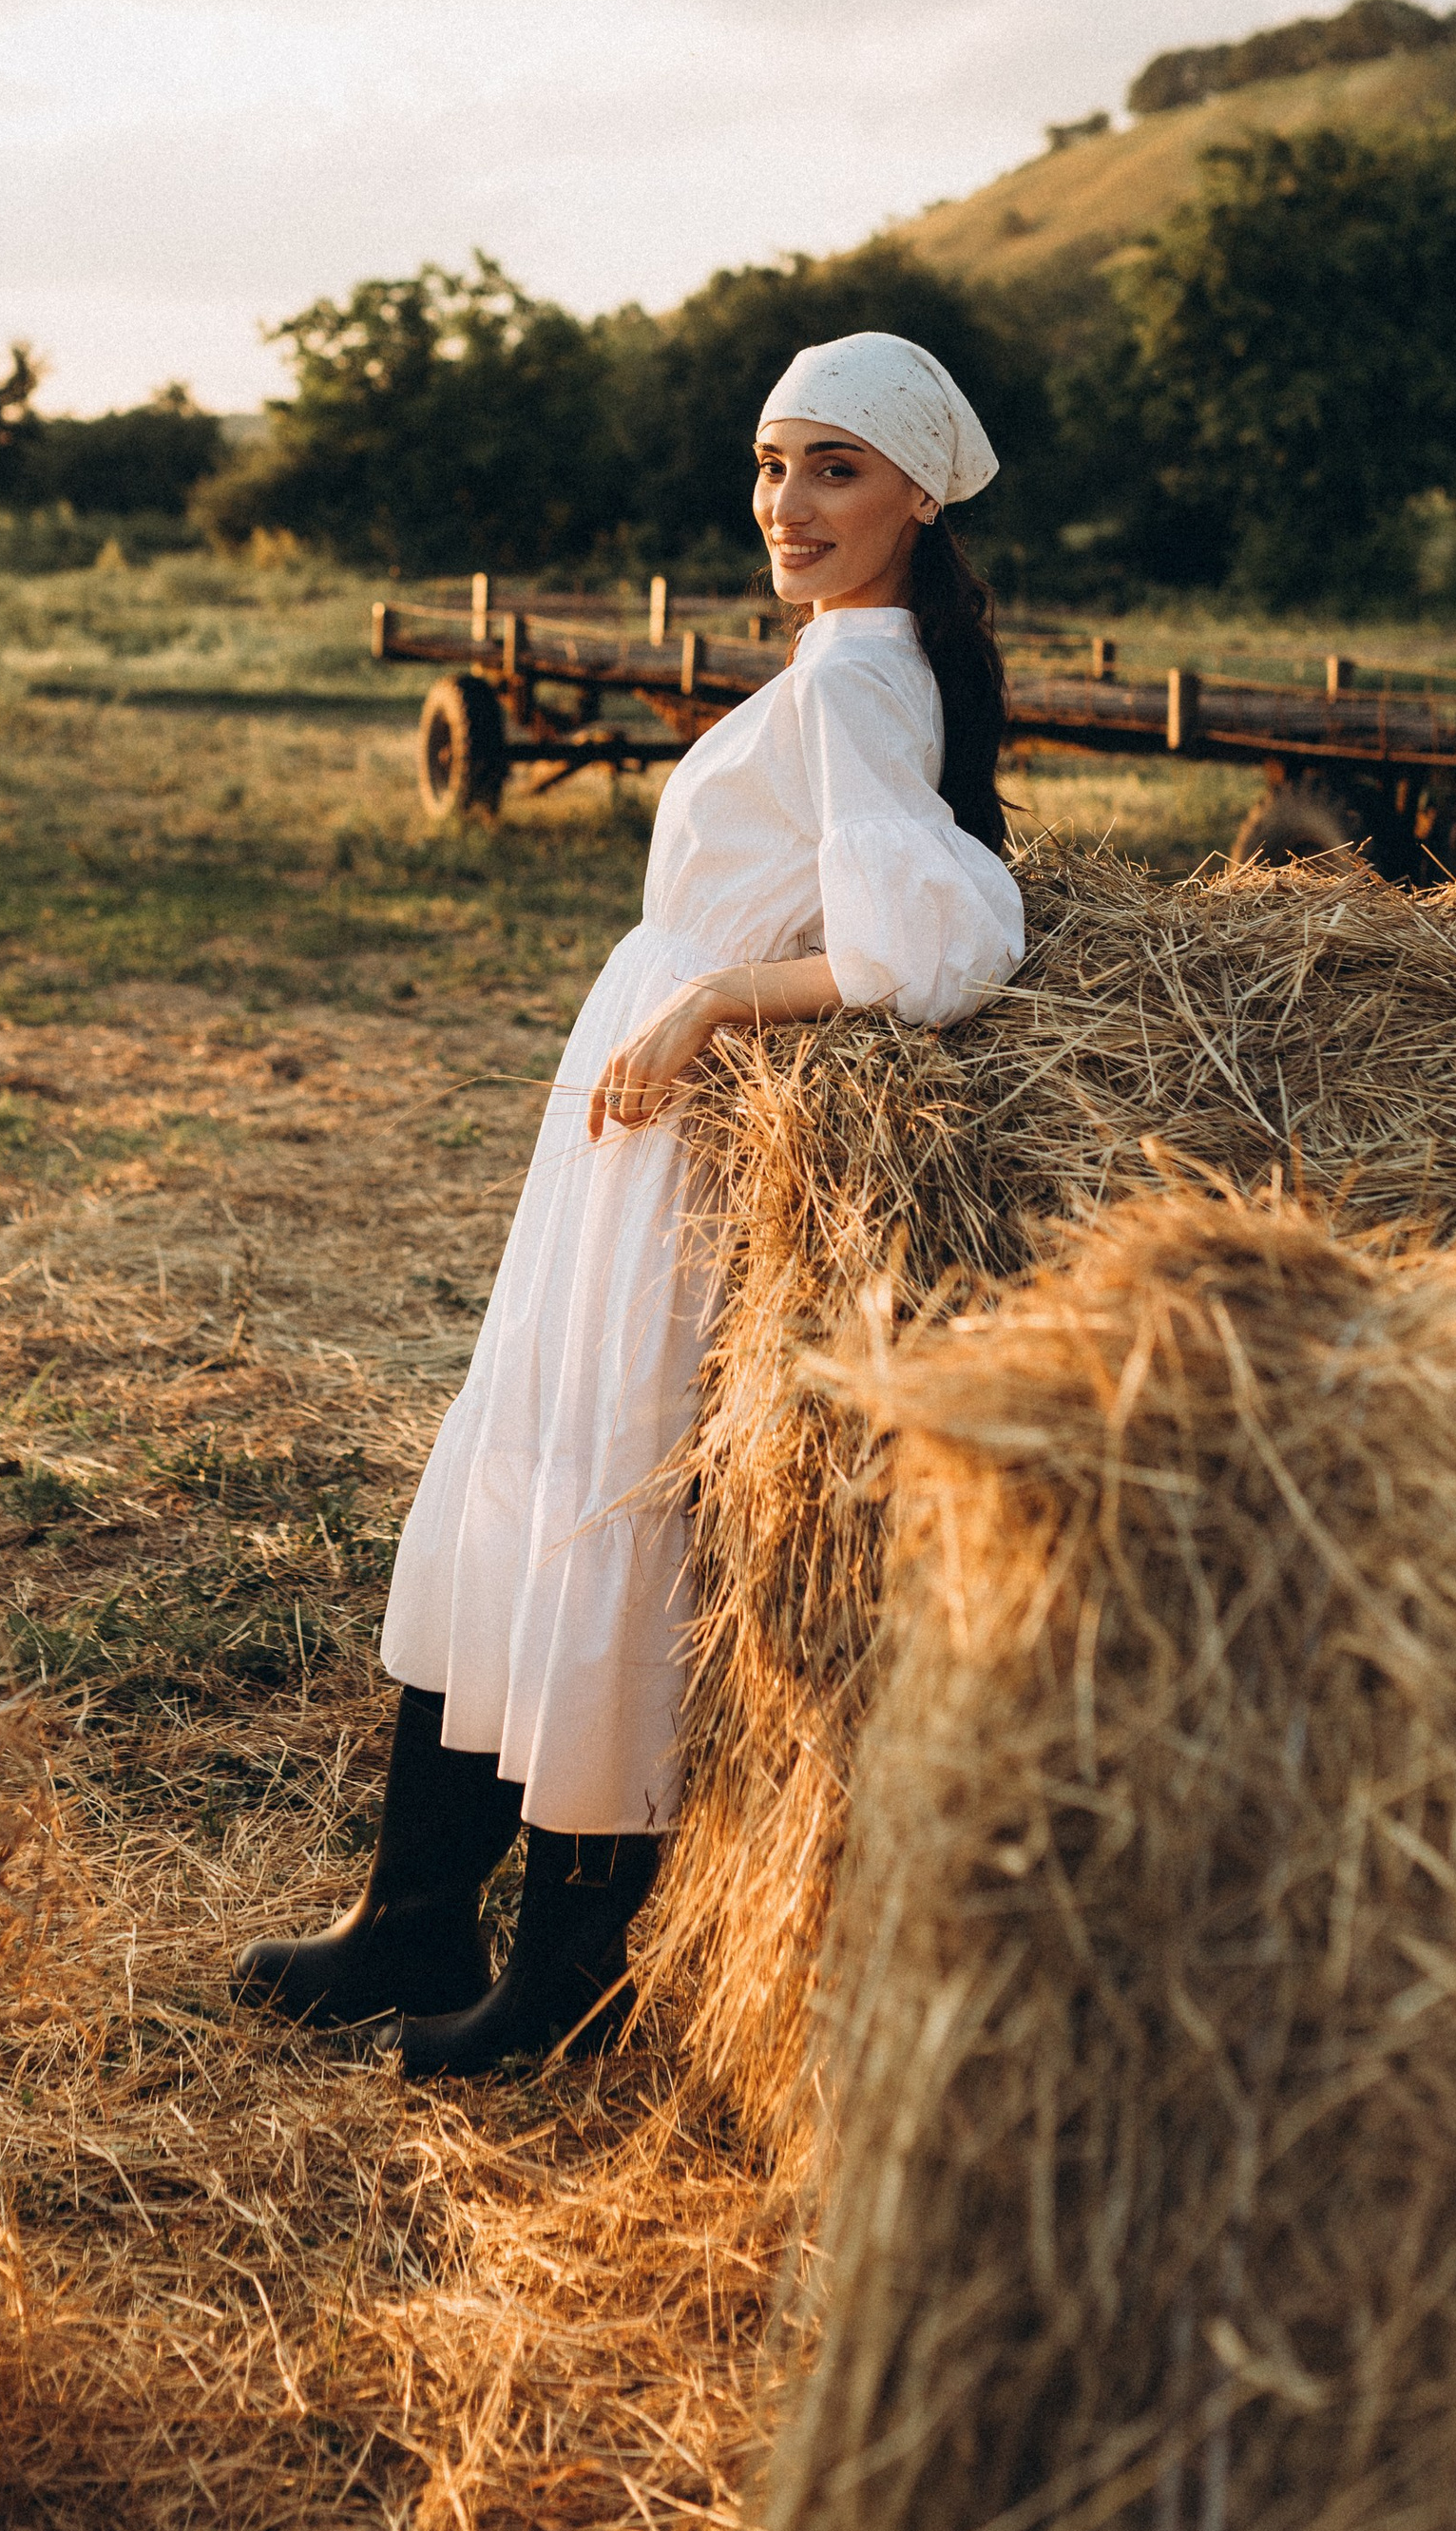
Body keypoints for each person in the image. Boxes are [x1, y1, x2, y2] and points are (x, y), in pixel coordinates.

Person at [232, 332, 1027, 2074]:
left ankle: (562, 1980)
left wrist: (724, 996)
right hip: (625, 1137)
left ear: (916, 493)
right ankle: (414, 1913)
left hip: (673, 1142)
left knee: (598, 1490)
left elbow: (939, 942)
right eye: (770, 465)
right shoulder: (851, 661)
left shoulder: (854, 684)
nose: (787, 503)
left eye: (833, 469)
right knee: (533, 1460)